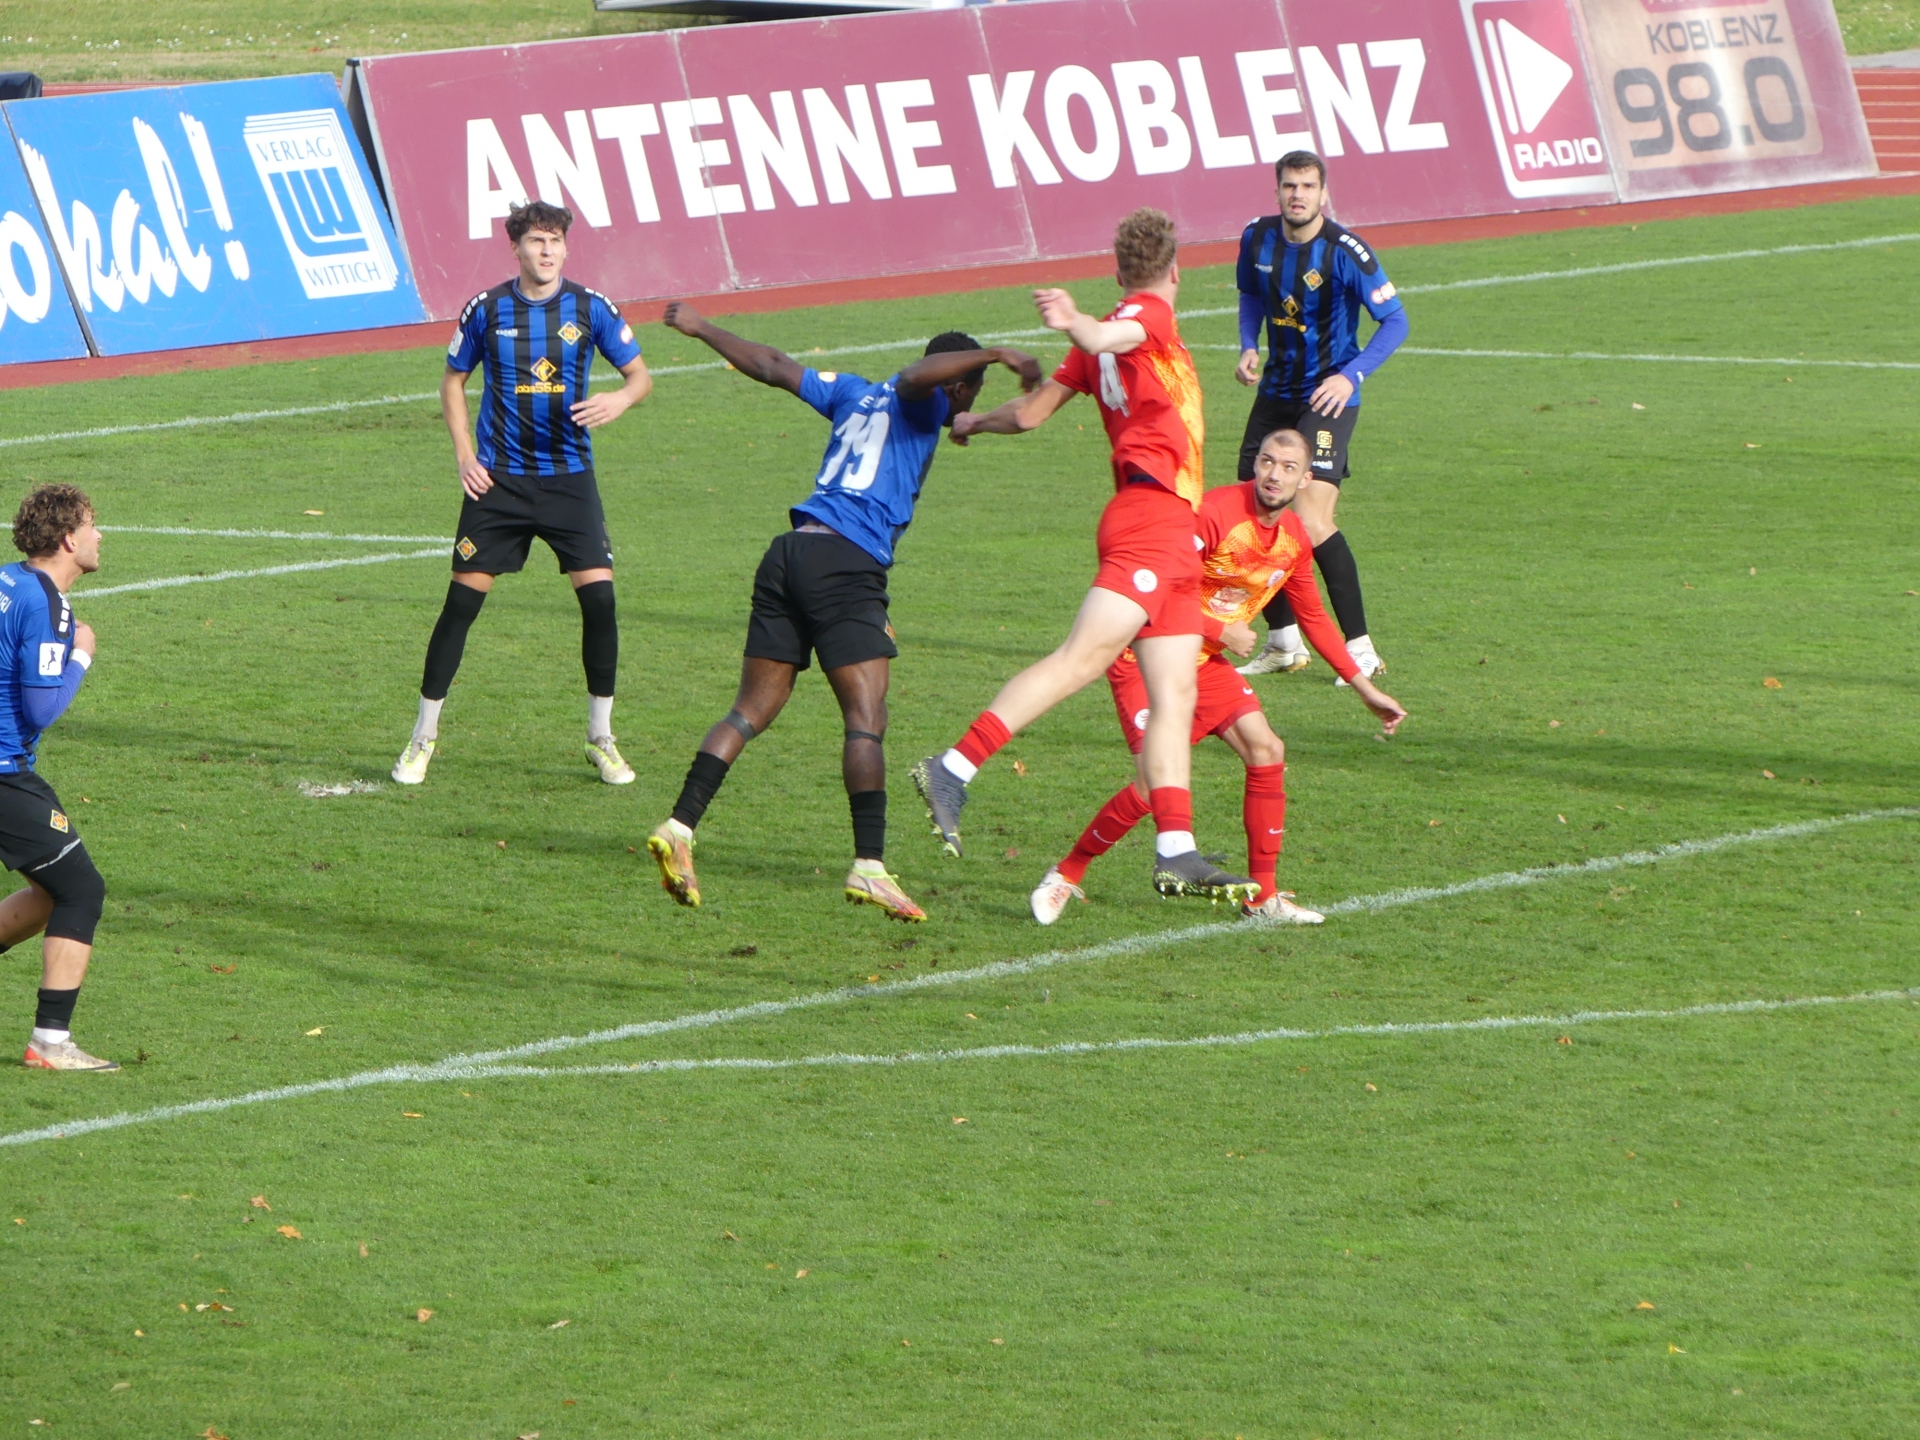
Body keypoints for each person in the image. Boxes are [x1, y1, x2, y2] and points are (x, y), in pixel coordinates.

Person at [646, 303, 1039, 920]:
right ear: (958, 383)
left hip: (791, 552)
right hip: (846, 564)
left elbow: (773, 365)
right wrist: (996, 353)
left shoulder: (854, 391)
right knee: (866, 718)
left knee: (749, 710)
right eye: (971, 389)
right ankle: (870, 867)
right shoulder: (922, 398)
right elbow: (916, 380)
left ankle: (678, 828)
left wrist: (702, 328)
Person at [910, 208, 1257, 902]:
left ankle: (1176, 849)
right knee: (1082, 658)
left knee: (1175, 693)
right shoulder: (1147, 317)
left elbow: (1031, 412)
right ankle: (954, 765)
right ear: (1174, 271)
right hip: (1150, 519)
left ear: (1117, 269)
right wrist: (1075, 320)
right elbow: (1106, 332)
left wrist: (975, 420)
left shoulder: (1106, 346)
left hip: (1173, 529)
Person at [1029, 430, 1406, 926]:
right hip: (1145, 653)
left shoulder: (1294, 538)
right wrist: (1218, 629)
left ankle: (1262, 898)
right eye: (1267, 462)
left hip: (1201, 662)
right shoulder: (1214, 513)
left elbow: (1313, 617)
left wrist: (1364, 688)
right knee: (1153, 784)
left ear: (1306, 479)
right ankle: (1067, 873)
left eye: (1288, 467)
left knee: (1266, 748)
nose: (1274, 475)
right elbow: (1158, 584)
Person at [392, 200, 652, 786]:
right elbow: (453, 381)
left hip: (569, 479)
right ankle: (422, 738)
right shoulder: (486, 309)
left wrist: (620, 398)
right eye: (536, 240)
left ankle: (602, 738)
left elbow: (640, 375)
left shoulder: (592, 308)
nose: (547, 250)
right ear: (516, 248)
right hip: (499, 482)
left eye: (555, 240)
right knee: (461, 606)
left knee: (601, 603)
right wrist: (465, 455)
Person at [1232, 151, 1408, 681]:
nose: (1298, 195)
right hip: (1276, 391)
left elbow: (1395, 321)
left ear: (1323, 193)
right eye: (1290, 185)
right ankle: (1284, 642)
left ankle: (1361, 648)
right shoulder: (1256, 238)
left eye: (1308, 186)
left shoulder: (1346, 251)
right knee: (1254, 506)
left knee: (1309, 519)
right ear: (1278, 190)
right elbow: (1250, 296)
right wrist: (1248, 344)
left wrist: (1350, 376)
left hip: (1328, 398)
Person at [0, 486, 114, 1071]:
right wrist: (82, 654)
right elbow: (41, 708)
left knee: (50, 891)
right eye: (92, 525)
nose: (100, 535)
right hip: (3, 775)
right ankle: (49, 1042)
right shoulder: (49, 607)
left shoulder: (5, 579)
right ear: (69, 539)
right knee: (79, 890)